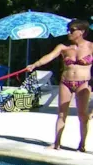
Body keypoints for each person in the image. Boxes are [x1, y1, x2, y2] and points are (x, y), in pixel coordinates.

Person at [26, 19, 93, 151]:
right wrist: (34, 65)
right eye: (68, 30)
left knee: (82, 115)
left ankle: (82, 144)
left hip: (83, 83)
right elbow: (49, 56)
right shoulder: (63, 47)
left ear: (82, 32)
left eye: (72, 30)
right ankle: (56, 143)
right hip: (66, 82)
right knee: (62, 114)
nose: (68, 33)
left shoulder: (91, 46)